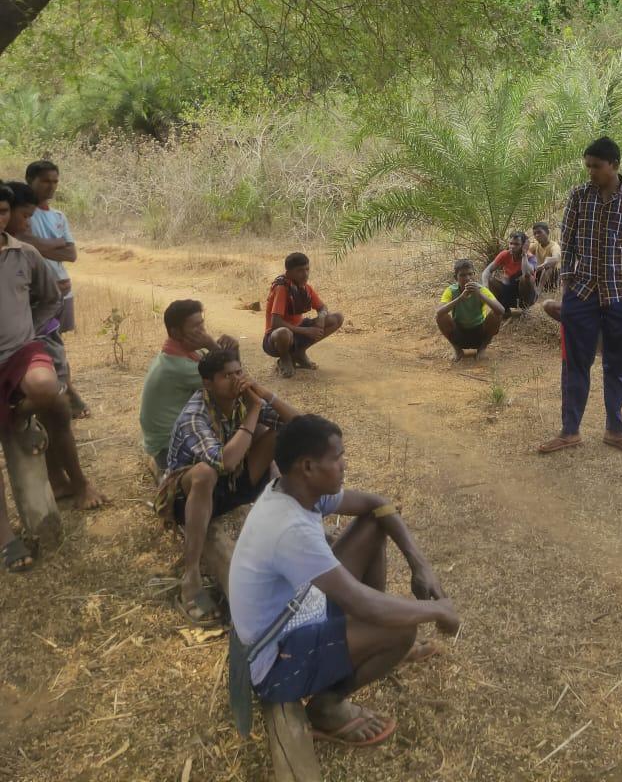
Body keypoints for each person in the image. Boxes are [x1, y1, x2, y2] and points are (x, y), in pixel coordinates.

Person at [228, 414, 460, 747]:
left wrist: (419, 564)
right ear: (307, 467)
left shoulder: (296, 491)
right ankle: (327, 705)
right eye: (337, 458)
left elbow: (379, 505)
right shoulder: (289, 529)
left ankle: (369, 645)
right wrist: (437, 610)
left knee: (374, 522)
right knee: (400, 627)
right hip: (275, 662)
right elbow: (362, 604)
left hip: (299, 608)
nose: (344, 464)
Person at [154, 349, 301, 625]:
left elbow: (300, 423)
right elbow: (226, 462)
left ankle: (291, 517)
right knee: (204, 473)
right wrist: (255, 410)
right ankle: (191, 576)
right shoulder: (194, 415)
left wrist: (263, 394)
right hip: (187, 497)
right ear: (208, 384)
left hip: (231, 487)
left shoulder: (243, 401)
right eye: (226, 376)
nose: (236, 381)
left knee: (281, 435)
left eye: (238, 373)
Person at [0, 182, 106, 553]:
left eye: (2, 212)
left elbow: (51, 297)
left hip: (21, 352)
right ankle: (6, 538)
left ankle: (76, 482)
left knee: (53, 396)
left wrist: (31, 330)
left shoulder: (23, 253)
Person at [538, 137, 622, 457]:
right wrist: (567, 284)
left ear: (614, 165)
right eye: (587, 166)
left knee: (616, 365)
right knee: (575, 364)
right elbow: (568, 241)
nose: (590, 172)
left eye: (596, 167)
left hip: (621, 294)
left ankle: (615, 430)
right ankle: (569, 431)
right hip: (581, 293)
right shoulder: (577, 196)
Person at [139, 300, 239, 476]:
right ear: (176, 332)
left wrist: (230, 351)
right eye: (196, 327)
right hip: (168, 446)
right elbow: (236, 386)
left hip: (163, 440)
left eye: (202, 324)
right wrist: (213, 346)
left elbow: (229, 374)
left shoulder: (182, 354)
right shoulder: (178, 366)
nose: (203, 332)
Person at [20, 165, 88, 417]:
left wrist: (41, 245)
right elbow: (25, 243)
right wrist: (56, 244)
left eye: (55, 181)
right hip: (37, 294)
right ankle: (65, 396)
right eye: (45, 181)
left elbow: (71, 254)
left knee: (55, 343)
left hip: (61, 291)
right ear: (30, 180)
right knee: (48, 346)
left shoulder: (58, 216)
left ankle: (63, 394)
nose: (51, 186)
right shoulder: (21, 213)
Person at [264, 253, 344, 377]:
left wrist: (321, 318)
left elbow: (323, 308)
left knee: (337, 318)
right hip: (275, 339)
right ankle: (285, 358)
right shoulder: (282, 288)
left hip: (296, 332)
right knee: (283, 333)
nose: (305, 274)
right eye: (300, 271)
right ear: (289, 273)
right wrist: (306, 331)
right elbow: (276, 323)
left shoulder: (305, 288)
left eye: (307, 269)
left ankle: (299, 353)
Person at [436, 259, 504, 361]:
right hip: (459, 332)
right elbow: (439, 312)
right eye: (462, 275)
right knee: (440, 317)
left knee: (496, 314)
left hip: (480, 332)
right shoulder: (451, 290)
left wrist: (479, 294)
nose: (467, 278)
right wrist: (460, 298)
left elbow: (501, 310)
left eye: (470, 274)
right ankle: (457, 349)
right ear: (456, 277)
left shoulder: (481, 290)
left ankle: (482, 349)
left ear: (474, 275)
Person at [481, 231, 537, 316]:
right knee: (490, 279)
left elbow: (526, 273)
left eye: (516, 244)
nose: (512, 247)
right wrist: (485, 287)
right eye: (511, 243)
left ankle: (525, 308)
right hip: (508, 290)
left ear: (523, 245)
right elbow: (487, 271)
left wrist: (524, 254)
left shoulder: (530, 258)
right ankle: (504, 309)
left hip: (524, 295)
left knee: (525, 278)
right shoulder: (505, 254)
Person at [528, 223, 561, 293]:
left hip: (552, 276)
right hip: (539, 274)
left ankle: (539, 290)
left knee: (549, 264)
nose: (537, 235)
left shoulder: (554, 246)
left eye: (539, 232)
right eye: (535, 233)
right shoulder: (535, 245)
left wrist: (538, 267)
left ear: (547, 232)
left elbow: (556, 258)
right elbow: (526, 252)